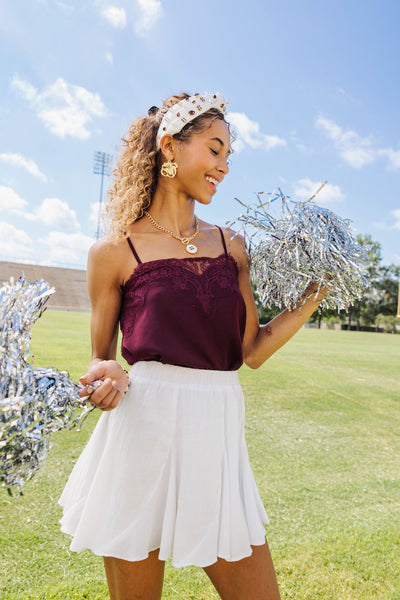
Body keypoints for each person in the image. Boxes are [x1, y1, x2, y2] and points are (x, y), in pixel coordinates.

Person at [59, 92, 327, 600]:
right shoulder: (113, 252)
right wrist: (108, 372)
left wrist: (313, 297)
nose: (223, 167)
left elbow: (252, 351)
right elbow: (100, 358)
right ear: (170, 148)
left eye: (228, 157)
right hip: (140, 437)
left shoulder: (232, 245)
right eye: (215, 149)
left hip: (217, 437)